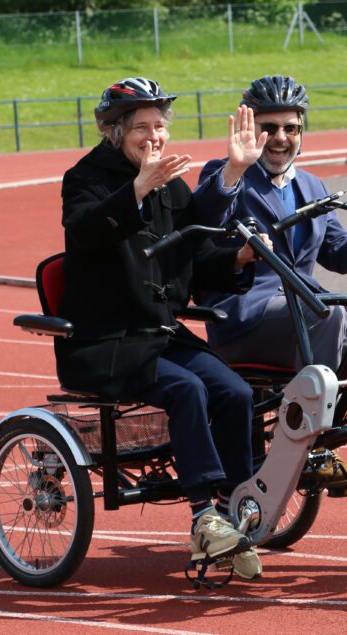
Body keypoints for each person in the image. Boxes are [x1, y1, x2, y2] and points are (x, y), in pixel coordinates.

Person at [56, 77, 266, 580]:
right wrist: (136, 190)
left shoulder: (171, 184)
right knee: (188, 389)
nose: (153, 136)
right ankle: (203, 517)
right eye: (141, 127)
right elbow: (85, 230)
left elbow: (195, 255)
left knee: (236, 392)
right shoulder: (84, 178)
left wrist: (238, 254)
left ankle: (237, 504)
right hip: (105, 341)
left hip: (158, 335)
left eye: (159, 126)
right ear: (114, 130)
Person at [195, 74, 347, 492]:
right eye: (269, 128)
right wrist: (235, 167)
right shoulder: (225, 176)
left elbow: (339, 253)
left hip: (305, 315)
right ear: (251, 129)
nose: (280, 138)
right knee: (331, 313)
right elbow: (202, 221)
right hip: (246, 321)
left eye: (291, 128)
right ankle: (315, 443)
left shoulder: (311, 186)